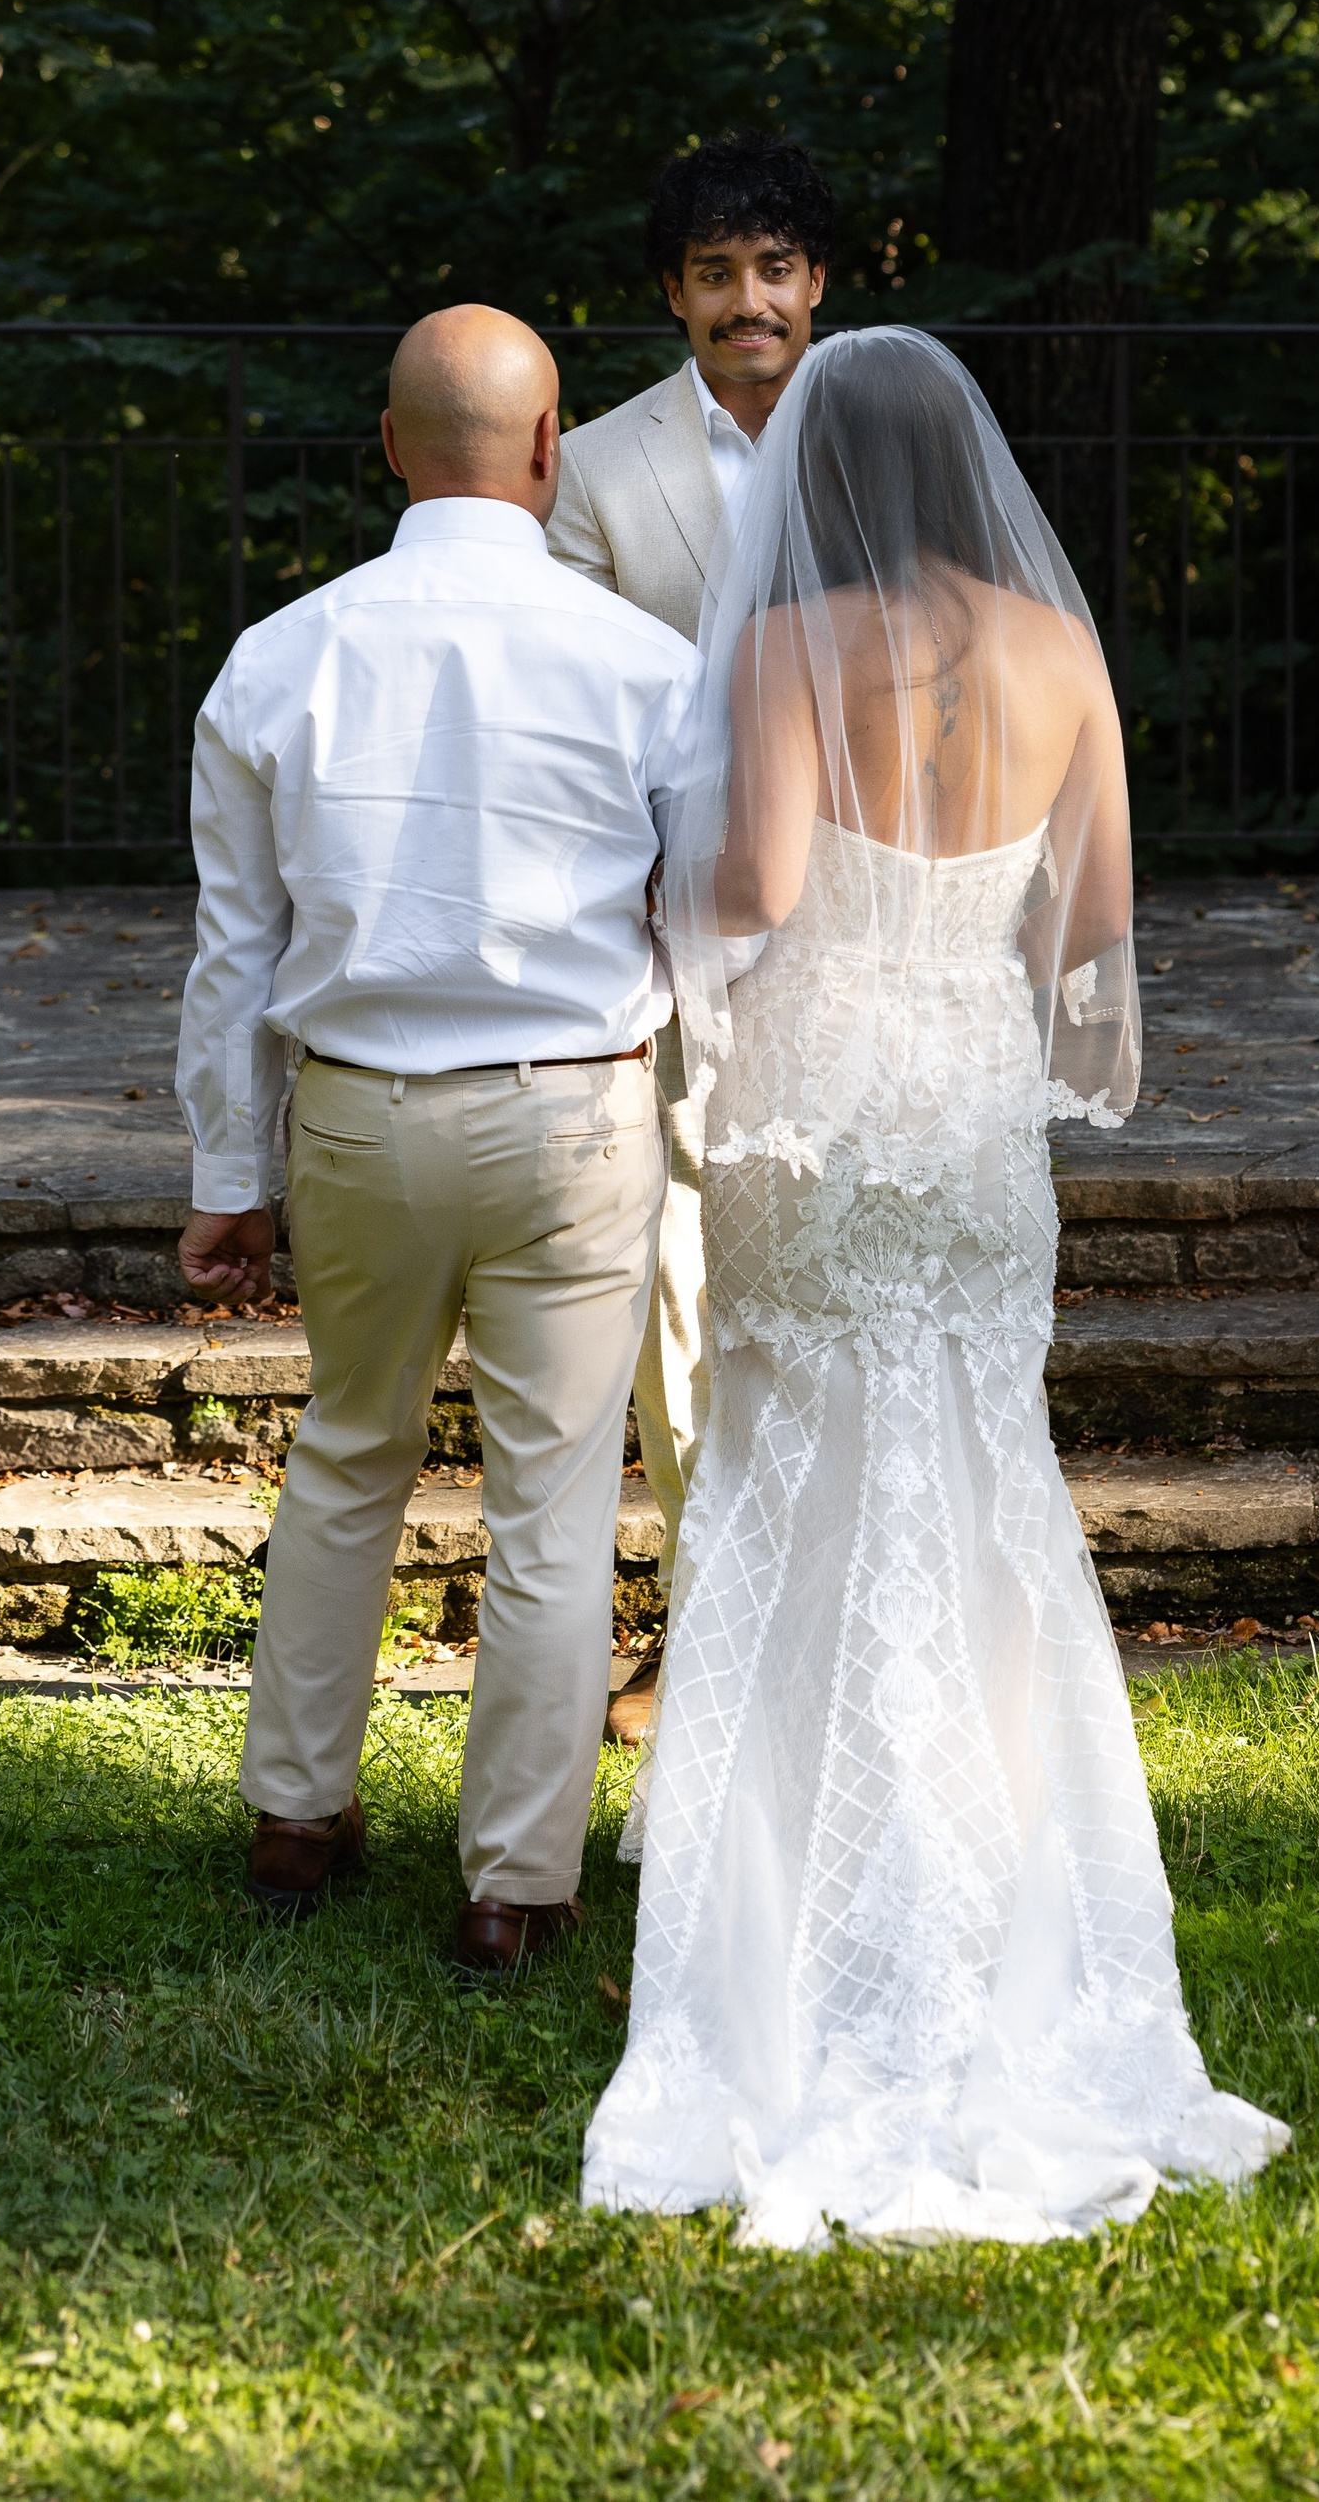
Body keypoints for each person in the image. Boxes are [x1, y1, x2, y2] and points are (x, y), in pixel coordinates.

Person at [580, 329, 1289, 2240]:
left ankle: (803, 1905)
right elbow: (1095, 921)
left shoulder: (784, 648)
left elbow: (759, 891)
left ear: (817, 472)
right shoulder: (1062, 653)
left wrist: (657, 900)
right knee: (983, 1477)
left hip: (819, 1108)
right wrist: (966, 938)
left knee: (791, 1469)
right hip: (971, 1109)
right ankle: (996, 1888)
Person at [174, 306, 694, 1976]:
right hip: (573, 1110)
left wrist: (227, 1176)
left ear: (391, 446)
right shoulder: (646, 663)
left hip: (357, 1113)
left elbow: (233, 954)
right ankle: (514, 1887)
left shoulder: (280, 654)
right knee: (554, 1499)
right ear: (550, 449)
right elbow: (706, 918)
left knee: (346, 1451)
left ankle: (295, 1813)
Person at [549, 135, 832, 1735]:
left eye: (773, 268)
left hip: (861, 934)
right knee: (681, 1292)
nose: (748, 301)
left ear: (817, 280)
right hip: (672, 932)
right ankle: (714, 1627)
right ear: (673, 292)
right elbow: (576, 721)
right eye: (715, 274)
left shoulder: (884, 445)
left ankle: (843, 1619)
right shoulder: (596, 470)